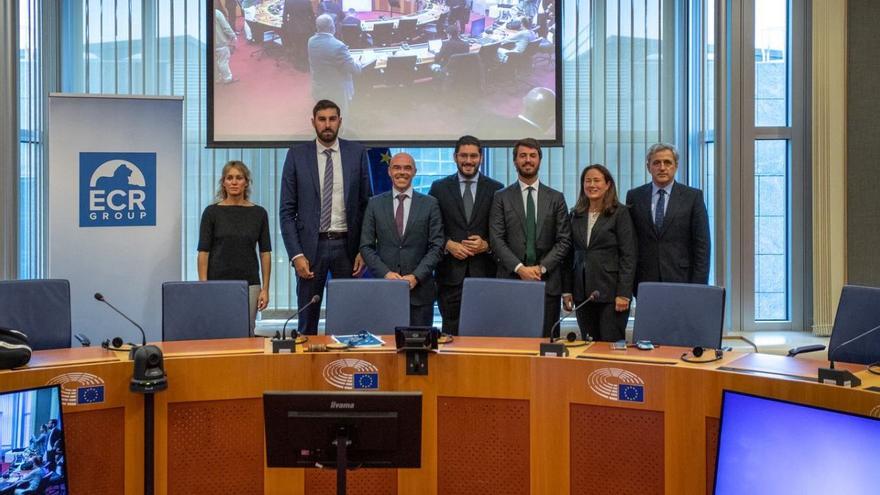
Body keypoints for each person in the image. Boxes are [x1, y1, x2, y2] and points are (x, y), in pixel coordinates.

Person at [280, 100, 372, 335]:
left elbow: (366, 206)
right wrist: (296, 254)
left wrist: (364, 248)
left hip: (347, 248)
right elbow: (287, 211)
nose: (327, 124)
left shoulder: (357, 153)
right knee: (307, 321)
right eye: (322, 119)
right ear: (313, 123)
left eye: (332, 119)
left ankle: (345, 368)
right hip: (311, 250)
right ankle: (306, 370)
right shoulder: (296, 156)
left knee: (348, 320)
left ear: (340, 121)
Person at [489, 138, 571, 337]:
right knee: (511, 345)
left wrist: (540, 268)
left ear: (540, 160)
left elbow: (564, 240)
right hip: (511, 281)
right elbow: (496, 239)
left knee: (547, 345)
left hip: (547, 282)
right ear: (515, 161)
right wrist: (520, 269)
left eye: (532, 156)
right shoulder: (501, 197)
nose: (528, 160)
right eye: (523, 156)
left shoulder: (556, 198)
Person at [429, 136, 503, 335]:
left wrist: (487, 245)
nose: (468, 160)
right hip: (450, 275)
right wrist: (448, 244)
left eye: (473, 156)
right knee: (451, 334)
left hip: (485, 273)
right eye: (464, 155)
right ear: (455, 157)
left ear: (481, 158)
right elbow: (430, 227)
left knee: (484, 333)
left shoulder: (496, 189)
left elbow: (502, 230)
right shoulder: (439, 188)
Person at [360, 153, 444, 326]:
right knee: (387, 349)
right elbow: (366, 247)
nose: (402, 172)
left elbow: (436, 247)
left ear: (414, 172)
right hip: (385, 291)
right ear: (389, 171)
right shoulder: (374, 204)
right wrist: (386, 274)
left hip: (420, 293)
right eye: (397, 167)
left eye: (407, 168)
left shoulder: (430, 204)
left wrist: (416, 276)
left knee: (420, 350)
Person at [562, 165, 637, 342]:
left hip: (612, 294)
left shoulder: (620, 213)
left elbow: (629, 255)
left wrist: (624, 293)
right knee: (587, 345)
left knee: (610, 346)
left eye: (597, 180)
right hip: (582, 294)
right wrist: (566, 291)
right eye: (587, 181)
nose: (592, 185)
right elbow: (568, 255)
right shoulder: (575, 214)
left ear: (607, 184)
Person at [625, 143, 710, 297]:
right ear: (648, 167)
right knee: (650, 321)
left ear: (676, 166)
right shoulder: (634, 196)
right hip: (645, 279)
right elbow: (629, 242)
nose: (662, 168)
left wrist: (699, 286)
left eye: (667, 162)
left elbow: (702, 245)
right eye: (656, 163)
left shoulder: (693, 197)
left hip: (682, 278)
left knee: (680, 321)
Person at [198, 160, 272, 333]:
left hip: (250, 284)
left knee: (246, 332)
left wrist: (265, 289)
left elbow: (265, 253)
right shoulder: (211, 212)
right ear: (223, 182)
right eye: (229, 177)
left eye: (239, 178)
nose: (234, 182)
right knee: (217, 332)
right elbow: (203, 252)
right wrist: (203, 287)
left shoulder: (259, 213)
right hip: (216, 284)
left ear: (246, 182)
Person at [308, 14, 362, 116]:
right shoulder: (338, 46)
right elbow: (354, 69)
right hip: (336, 91)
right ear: (332, 27)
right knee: (340, 117)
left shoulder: (310, 41)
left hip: (319, 87)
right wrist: (359, 62)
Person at [282, 0, 316, 71]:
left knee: (296, 46)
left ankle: (298, 64)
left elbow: (284, 16)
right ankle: (306, 65)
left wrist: (286, 27)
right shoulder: (307, 1)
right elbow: (312, 16)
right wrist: (313, 27)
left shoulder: (288, 1)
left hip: (293, 28)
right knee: (305, 47)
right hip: (306, 28)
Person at [214, 0, 237, 84]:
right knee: (223, 61)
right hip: (220, 42)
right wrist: (233, 36)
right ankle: (227, 78)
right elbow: (226, 27)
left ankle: (217, 77)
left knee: (216, 60)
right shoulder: (217, 13)